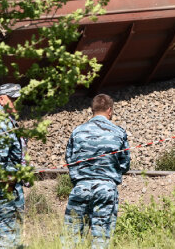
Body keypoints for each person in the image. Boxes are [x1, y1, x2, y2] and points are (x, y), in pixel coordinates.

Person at [63, 94, 130, 249]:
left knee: (71, 238)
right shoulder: (119, 132)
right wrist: (109, 175)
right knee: (101, 238)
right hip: (106, 189)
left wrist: (80, 178)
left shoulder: (77, 132)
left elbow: (70, 159)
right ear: (110, 110)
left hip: (80, 188)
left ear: (92, 110)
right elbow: (125, 163)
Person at [0, 83, 26, 249]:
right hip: (4, 186)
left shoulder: (3, 120)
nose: (16, 104)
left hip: (4, 185)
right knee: (6, 233)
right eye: (12, 100)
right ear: (2, 99)